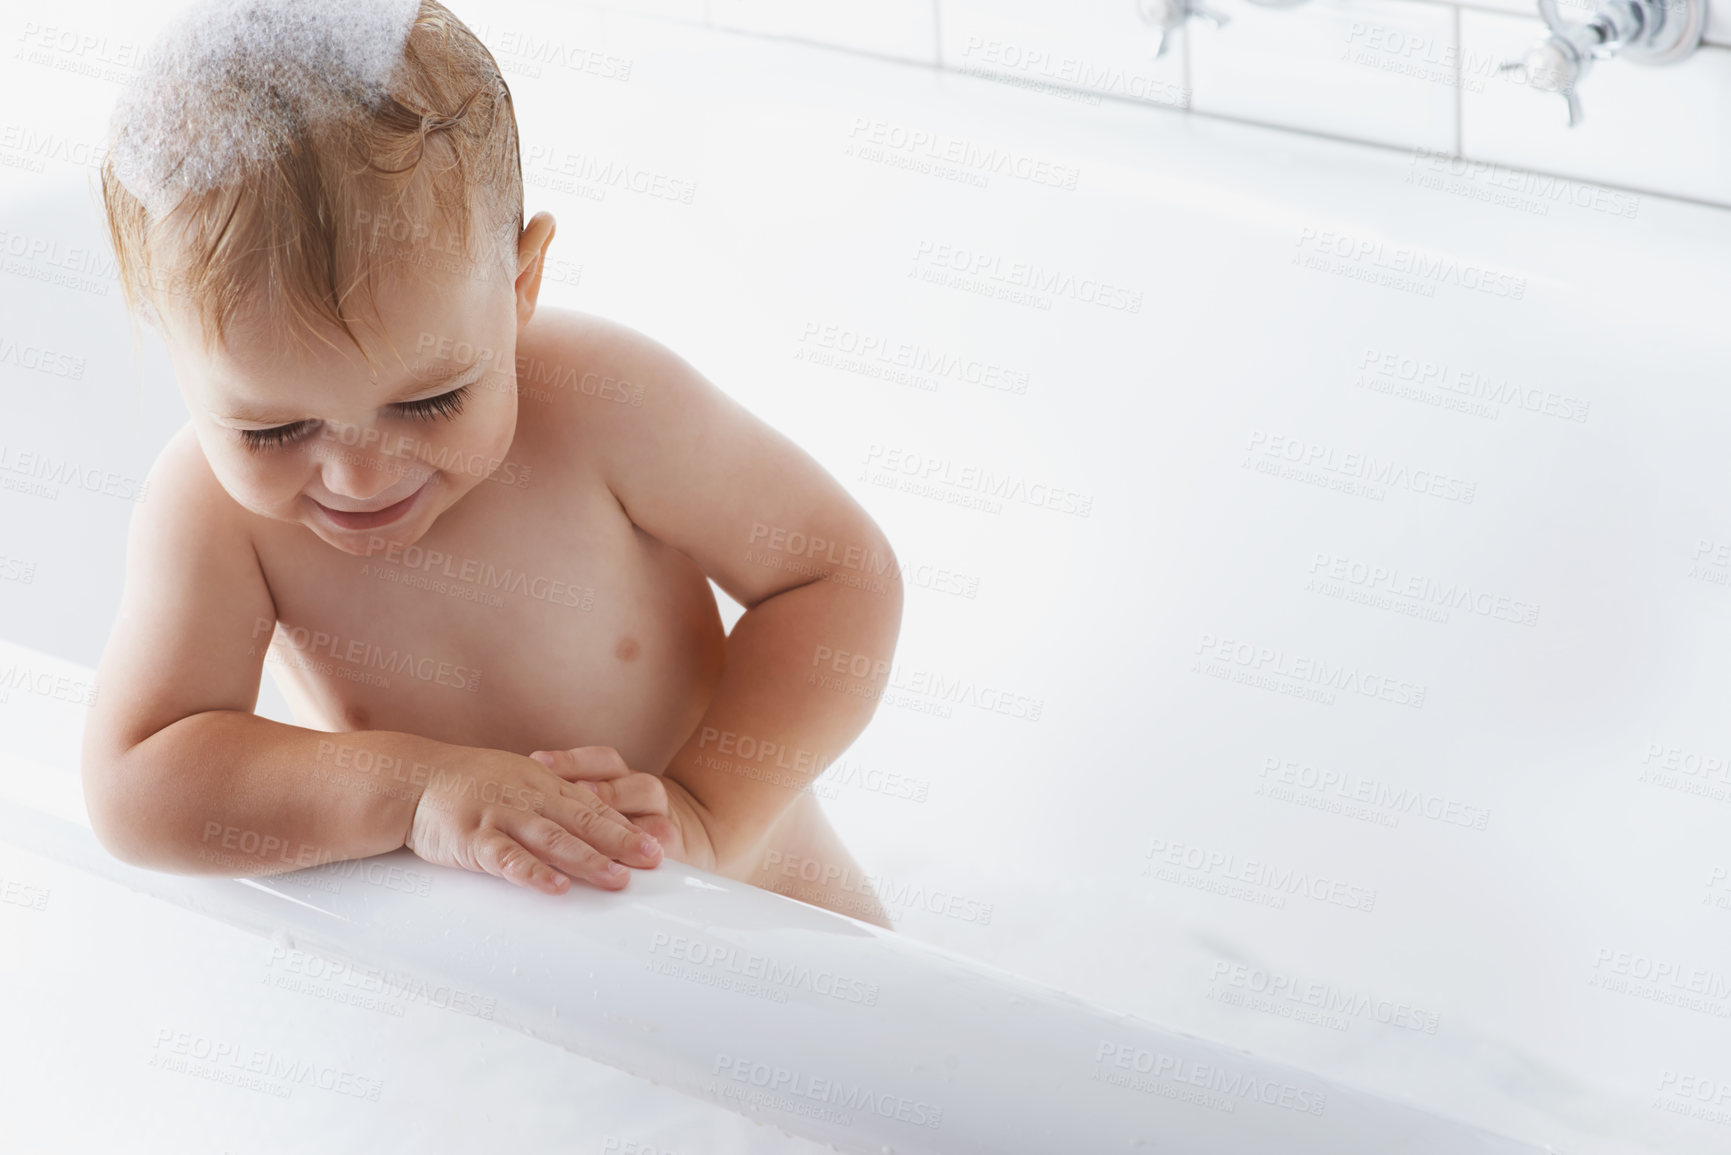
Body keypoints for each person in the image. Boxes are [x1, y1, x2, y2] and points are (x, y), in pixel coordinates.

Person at [80, 0, 902, 928]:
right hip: (504, 986)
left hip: (766, 909)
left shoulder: (602, 405)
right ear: (171, 348)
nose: (358, 478)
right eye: (271, 431)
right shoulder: (211, 513)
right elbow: (138, 781)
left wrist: (711, 814)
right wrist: (414, 790)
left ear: (519, 286)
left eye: (430, 402)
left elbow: (836, 576)